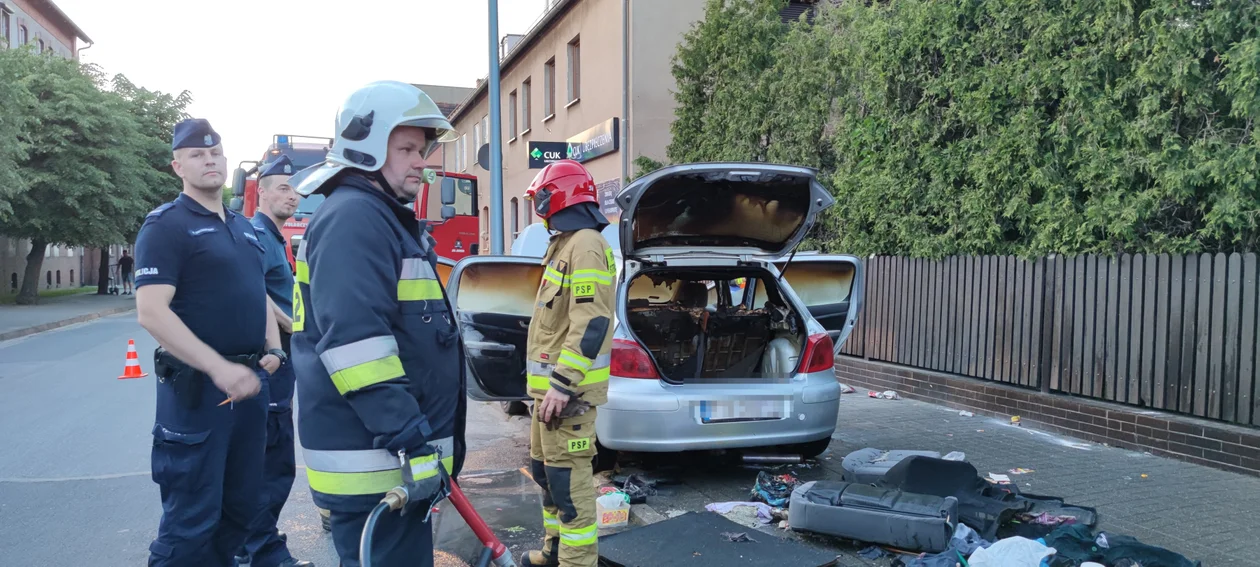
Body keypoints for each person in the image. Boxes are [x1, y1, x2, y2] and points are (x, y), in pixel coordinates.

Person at [288, 80, 465, 567]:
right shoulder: (355, 220)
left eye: (422, 150)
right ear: (366, 150)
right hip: (380, 463)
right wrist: (411, 440)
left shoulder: (375, 216)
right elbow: (356, 347)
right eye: (406, 148)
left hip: (387, 463)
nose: (420, 162)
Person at [134, 118, 286, 567]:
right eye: (198, 155)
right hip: (199, 392)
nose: (210, 161)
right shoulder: (167, 226)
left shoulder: (242, 228)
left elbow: (256, 291)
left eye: (216, 153)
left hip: (250, 388)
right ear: (177, 166)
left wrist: (274, 349)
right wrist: (219, 368)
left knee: (240, 511)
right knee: (191, 521)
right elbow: (151, 312)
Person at [519, 159, 616, 567]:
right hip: (551, 398)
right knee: (546, 475)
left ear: (554, 197)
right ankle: (554, 551)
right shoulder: (565, 243)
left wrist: (561, 384)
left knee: (569, 484)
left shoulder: (586, 245)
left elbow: (592, 321)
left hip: (568, 396)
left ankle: (577, 563)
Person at [235, 155, 313, 567]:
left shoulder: (276, 236)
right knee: (271, 464)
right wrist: (292, 327)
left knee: (274, 462)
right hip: (272, 358)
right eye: (283, 187)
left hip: (282, 355)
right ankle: (260, 551)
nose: (292, 195)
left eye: (296, 188)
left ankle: (249, 548)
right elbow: (255, 290)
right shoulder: (258, 234)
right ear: (260, 192)